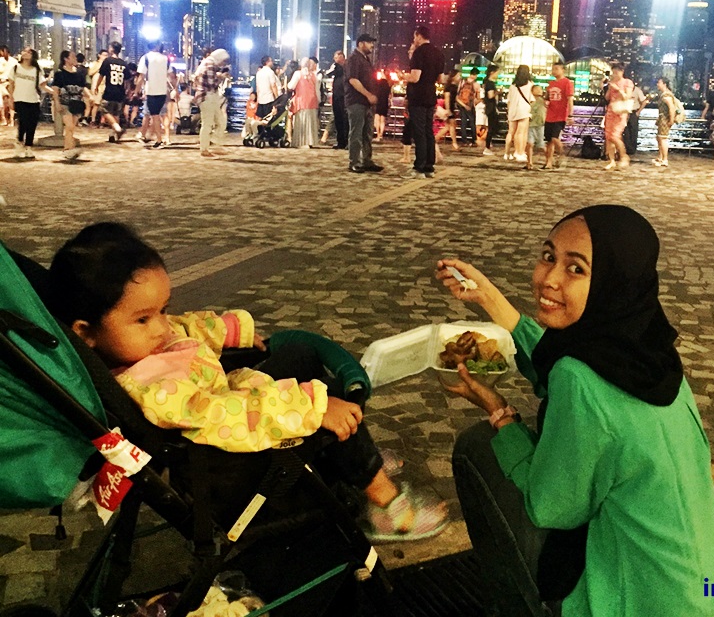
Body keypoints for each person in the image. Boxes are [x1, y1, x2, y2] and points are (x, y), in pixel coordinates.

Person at [48, 222, 448, 543]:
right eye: (143, 319)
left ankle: (353, 460)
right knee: (322, 397)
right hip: (231, 456)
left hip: (246, 402)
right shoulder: (152, 387)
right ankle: (381, 497)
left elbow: (184, 330)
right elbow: (225, 416)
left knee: (300, 358)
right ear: (86, 333)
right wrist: (312, 407)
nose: (161, 327)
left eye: (163, 310)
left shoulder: (138, 345)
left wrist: (230, 331)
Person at [435, 205, 714, 617]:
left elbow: (553, 507)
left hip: (646, 603)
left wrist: (500, 413)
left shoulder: (579, 377)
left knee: (477, 447)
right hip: (713, 586)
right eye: (548, 257)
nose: (550, 278)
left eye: (575, 269)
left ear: (614, 282)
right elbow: (557, 363)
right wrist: (490, 299)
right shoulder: (652, 355)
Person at [400, 26, 445, 179]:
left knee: (419, 132)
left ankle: (419, 167)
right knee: (428, 132)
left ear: (419, 36)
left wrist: (403, 76)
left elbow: (415, 77)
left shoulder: (419, 52)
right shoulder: (438, 53)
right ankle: (429, 167)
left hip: (418, 97)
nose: (414, 40)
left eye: (415, 37)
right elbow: (441, 79)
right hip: (431, 97)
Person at [344, 34, 382, 174]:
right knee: (356, 132)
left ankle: (366, 160)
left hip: (367, 103)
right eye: (369, 43)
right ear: (360, 44)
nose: (372, 45)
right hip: (356, 101)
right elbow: (353, 80)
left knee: (367, 133)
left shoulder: (365, 59)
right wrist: (368, 94)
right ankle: (354, 161)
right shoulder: (354, 59)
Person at [51, 50, 90, 161]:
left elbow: (83, 89)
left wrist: (90, 97)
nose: (75, 59)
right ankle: (69, 149)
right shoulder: (59, 74)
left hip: (77, 103)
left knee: (71, 128)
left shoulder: (79, 74)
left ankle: (67, 149)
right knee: (69, 126)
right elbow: (55, 90)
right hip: (65, 103)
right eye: (72, 57)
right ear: (66, 59)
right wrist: (57, 103)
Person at [7, 47, 45, 159]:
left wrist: (53, 91)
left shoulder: (37, 70)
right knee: (23, 122)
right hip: (19, 99)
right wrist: (10, 98)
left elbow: (42, 85)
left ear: (33, 55)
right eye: (24, 51)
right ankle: (19, 141)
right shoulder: (15, 68)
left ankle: (28, 147)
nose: (25, 53)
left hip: (33, 99)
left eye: (29, 52)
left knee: (32, 124)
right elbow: (11, 85)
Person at [194, 48, 230, 158]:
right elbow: (211, 84)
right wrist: (221, 77)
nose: (223, 64)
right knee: (208, 123)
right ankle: (204, 149)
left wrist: (218, 75)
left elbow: (198, 78)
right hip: (207, 96)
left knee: (219, 121)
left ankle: (214, 145)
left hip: (206, 96)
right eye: (223, 61)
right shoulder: (210, 64)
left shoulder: (206, 62)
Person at [136, 42, 169, 148]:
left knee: (154, 116)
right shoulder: (165, 59)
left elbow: (141, 76)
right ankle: (160, 138)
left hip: (151, 90)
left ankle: (159, 140)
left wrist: (136, 90)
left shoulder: (145, 58)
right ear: (158, 46)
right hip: (163, 90)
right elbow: (169, 74)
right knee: (158, 115)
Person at [541, 61, 574, 171]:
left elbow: (570, 100)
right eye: (553, 69)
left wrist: (570, 115)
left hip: (560, 115)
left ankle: (562, 155)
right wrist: (546, 101)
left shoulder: (567, 83)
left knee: (555, 138)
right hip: (550, 115)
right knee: (549, 140)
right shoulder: (551, 83)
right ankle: (548, 162)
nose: (554, 71)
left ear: (562, 70)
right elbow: (547, 97)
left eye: (556, 69)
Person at [602, 62, 633, 171]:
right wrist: (607, 88)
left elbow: (627, 97)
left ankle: (624, 156)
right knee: (608, 136)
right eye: (613, 72)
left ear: (622, 72)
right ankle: (611, 160)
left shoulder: (627, 82)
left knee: (615, 135)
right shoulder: (612, 83)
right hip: (611, 111)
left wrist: (618, 89)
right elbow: (607, 98)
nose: (614, 74)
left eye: (616, 72)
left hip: (620, 112)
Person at [95, 42, 129, 143]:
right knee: (116, 113)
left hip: (109, 90)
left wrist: (96, 86)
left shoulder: (107, 61)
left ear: (112, 49)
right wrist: (126, 90)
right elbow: (127, 80)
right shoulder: (124, 63)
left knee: (104, 110)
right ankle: (112, 134)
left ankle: (117, 128)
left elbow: (101, 75)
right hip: (120, 91)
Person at [288, 56, 321, 148]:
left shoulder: (298, 74)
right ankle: (311, 141)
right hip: (312, 101)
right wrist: (319, 101)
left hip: (301, 101)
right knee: (311, 122)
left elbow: (291, 86)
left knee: (301, 122)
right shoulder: (314, 75)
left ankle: (301, 142)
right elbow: (317, 90)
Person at [503, 65, 533, 162]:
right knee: (522, 132)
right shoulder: (530, 85)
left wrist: (508, 112)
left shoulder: (513, 85)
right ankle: (520, 152)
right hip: (524, 110)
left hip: (512, 110)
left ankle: (507, 153)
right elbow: (532, 99)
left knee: (511, 132)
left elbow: (509, 100)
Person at [320, 50, 348, 149]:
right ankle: (341, 142)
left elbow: (330, 73)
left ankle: (345, 141)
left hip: (343, 96)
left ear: (341, 57)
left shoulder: (344, 66)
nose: (334, 60)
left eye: (336, 58)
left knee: (344, 120)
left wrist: (335, 66)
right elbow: (329, 74)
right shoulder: (337, 67)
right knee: (338, 120)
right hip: (337, 95)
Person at [653, 77, 677, 167]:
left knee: (663, 138)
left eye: (659, 83)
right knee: (659, 138)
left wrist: (671, 120)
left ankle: (665, 159)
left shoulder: (666, 95)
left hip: (664, 119)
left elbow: (671, 108)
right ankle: (661, 157)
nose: (657, 84)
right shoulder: (664, 94)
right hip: (662, 118)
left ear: (664, 84)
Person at [435, 69, 461, 153]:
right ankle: (454, 144)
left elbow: (455, 98)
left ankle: (435, 139)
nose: (459, 77)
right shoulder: (449, 87)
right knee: (451, 126)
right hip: (449, 108)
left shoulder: (455, 86)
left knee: (448, 126)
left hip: (451, 107)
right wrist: (448, 109)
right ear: (453, 76)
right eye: (458, 75)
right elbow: (447, 98)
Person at [621, 81, 648, 156]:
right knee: (625, 131)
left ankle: (632, 149)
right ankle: (627, 148)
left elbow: (644, 101)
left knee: (633, 131)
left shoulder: (638, 91)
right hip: (625, 112)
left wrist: (638, 112)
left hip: (633, 112)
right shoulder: (624, 90)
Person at [525, 84, 547, 170]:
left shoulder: (544, 101)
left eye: (540, 89)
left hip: (540, 125)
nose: (539, 91)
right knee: (529, 144)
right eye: (536, 89)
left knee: (541, 145)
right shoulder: (529, 101)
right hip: (530, 124)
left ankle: (548, 160)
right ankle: (529, 162)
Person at [456, 67, 479, 146]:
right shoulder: (476, 84)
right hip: (470, 105)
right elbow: (477, 97)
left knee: (463, 122)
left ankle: (464, 141)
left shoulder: (462, 81)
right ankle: (474, 140)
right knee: (472, 122)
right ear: (476, 75)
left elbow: (458, 93)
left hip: (461, 104)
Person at [482, 64, 500, 156]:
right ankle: (487, 147)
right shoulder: (490, 83)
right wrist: (498, 92)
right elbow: (490, 96)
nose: (498, 74)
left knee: (492, 127)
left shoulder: (487, 82)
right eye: (497, 72)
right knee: (491, 128)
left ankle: (488, 145)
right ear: (492, 73)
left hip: (490, 107)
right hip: (491, 107)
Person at [373, 72, 392, 142]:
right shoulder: (387, 86)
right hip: (384, 103)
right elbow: (390, 95)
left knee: (377, 119)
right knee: (382, 120)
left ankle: (378, 134)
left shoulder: (377, 85)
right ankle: (381, 135)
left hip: (378, 103)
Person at [0, 45, 15, 127]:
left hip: (10, 82)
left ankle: (11, 119)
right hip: (2, 83)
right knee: (2, 103)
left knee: (10, 101)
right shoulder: (0, 60)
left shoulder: (14, 61)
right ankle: (4, 118)